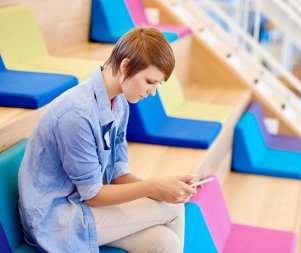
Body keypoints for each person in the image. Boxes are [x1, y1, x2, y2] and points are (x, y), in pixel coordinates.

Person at [18, 27, 198, 253]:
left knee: (165, 243)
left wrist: (165, 187)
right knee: (174, 208)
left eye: (157, 85)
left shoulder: (120, 103)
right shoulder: (76, 113)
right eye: (150, 82)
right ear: (125, 66)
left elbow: (118, 174)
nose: (152, 92)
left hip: (84, 205)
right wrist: (154, 187)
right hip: (56, 218)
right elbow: (93, 194)